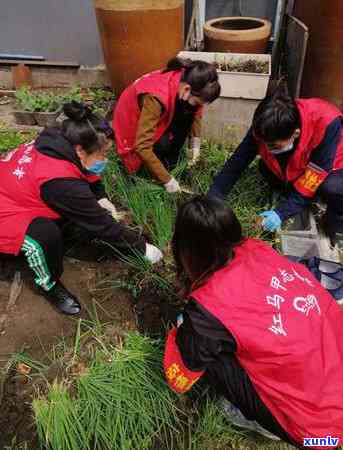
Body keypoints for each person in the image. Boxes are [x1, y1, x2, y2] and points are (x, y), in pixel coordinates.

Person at [164, 195, 343, 449]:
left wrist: (184, 327)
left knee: (203, 351)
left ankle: (257, 419)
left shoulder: (209, 306)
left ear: (187, 250)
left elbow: (188, 363)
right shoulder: (257, 249)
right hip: (333, 379)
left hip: (317, 434)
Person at [0, 102, 162, 316]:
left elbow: (87, 174)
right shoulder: (59, 180)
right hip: (6, 212)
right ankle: (49, 284)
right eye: (103, 154)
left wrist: (101, 197)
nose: (104, 160)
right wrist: (142, 247)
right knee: (45, 236)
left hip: (17, 192)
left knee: (64, 219)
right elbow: (101, 225)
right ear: (79, 150)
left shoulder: (63, 141)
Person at [208, 93, 343, 244]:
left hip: (332, 165)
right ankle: (297, 197)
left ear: (295, 133)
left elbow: (314, 175)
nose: (266, 148)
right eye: (264, 143)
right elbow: (239, 160)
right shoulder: (265, 123)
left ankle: (334, 226)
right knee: (266, 170)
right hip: (298, 164)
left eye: (273, 145)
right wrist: (214, 196)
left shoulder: (326, 121)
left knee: (332, 188)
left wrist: (281, 213)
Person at [113, 57, 221, 193]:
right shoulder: (156, 97)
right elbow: (142, 146)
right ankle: (149, 173)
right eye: (197, 102)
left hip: (157, 114)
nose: (198, 106)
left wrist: (195, 146)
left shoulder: (189, 78)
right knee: (162, 144)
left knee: (186, 115)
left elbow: (196, 112)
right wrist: (167, 180)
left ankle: (169, 163)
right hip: (132, 123)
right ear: (187, 89)